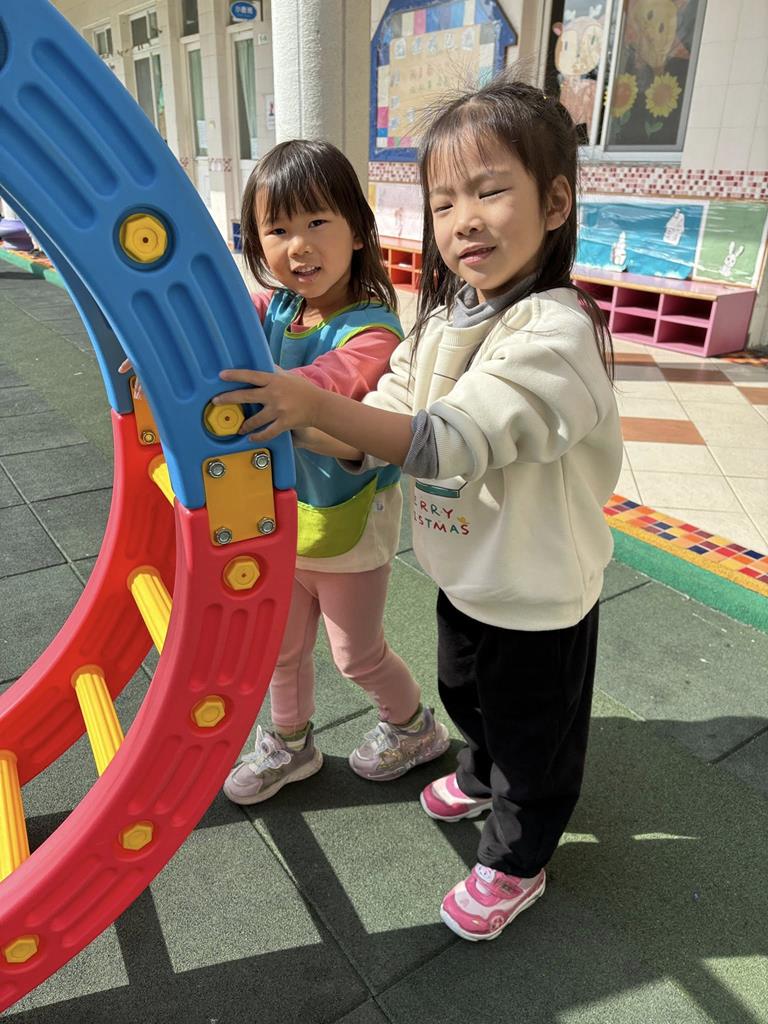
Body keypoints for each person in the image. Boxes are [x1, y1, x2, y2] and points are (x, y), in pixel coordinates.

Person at [214, 77, 622, 941]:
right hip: (467, 569)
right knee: (466, 693)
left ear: (554, 205)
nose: (464, 220)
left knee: (534, 739)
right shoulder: (444, 321)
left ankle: (517, 856)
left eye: (489, 191)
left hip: (538, 588)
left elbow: (446, 441)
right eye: (443, 203)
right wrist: (299, 418)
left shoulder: (558, 333)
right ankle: (477, 770)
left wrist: (313, 403)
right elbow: (386, 417)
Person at [214, 140, 450, 804]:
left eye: (317, 221)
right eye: (278, 229)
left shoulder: (371, 332)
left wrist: (252, 385)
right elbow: (219, 325)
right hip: (283, 519)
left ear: (358, 230)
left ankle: (414, 727)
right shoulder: (277, 310)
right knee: (280, 648)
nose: (299, 245)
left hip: (348, 527)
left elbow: (324, 385)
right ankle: (290, 743)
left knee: (356, 654)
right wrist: (170, 353)